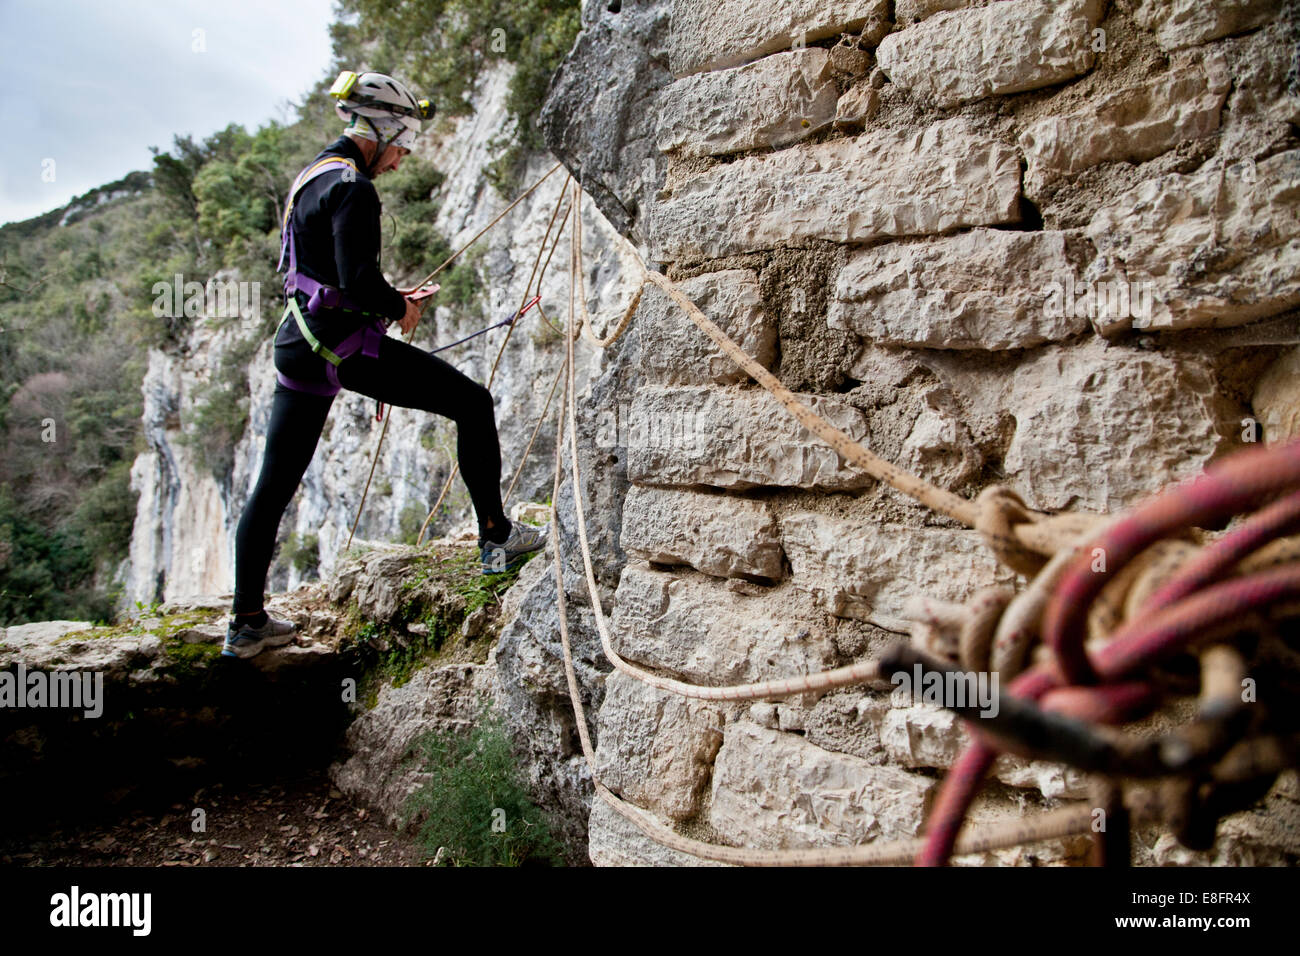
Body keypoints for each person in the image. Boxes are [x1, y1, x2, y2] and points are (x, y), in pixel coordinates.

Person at [223, 70, 548, 660]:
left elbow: (326, 274)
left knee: (273, 485)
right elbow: (358, 281)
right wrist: (400, 306)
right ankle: (497, 541)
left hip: (301, 344)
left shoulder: (313, 177)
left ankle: (246, 621)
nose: (402, 159)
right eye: (404, 145)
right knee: (473, 402)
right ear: (381, 130)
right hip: (346, 349)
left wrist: (389, 298)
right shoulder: (354, 188)